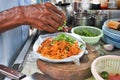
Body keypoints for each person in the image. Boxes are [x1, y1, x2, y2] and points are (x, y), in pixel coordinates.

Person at [0, 0, 66, 67]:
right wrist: (22, 14)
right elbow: (25, 13)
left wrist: (40, 19)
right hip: (3, 68)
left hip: (23, 57)